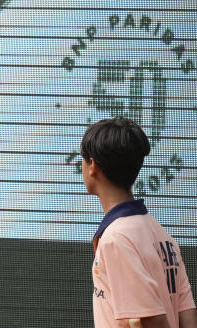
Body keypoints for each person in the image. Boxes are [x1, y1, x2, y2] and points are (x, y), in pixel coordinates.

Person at [80, 117, 196, 328]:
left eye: (84, 159)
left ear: (93, 166)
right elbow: (187, 314)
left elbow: (150, 319)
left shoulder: (116, 239)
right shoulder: (161, 234)